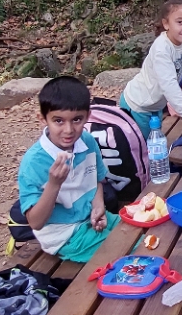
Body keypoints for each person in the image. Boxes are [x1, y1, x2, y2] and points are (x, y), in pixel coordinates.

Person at [16, 75, 120, 261]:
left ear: (87, 116)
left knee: (138, 230)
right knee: (127, 251)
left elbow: (96, 181)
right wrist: (54, 184)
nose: (69, 130)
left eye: (77, 119)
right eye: (58, 121)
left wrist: (98, 207)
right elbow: (36, 222)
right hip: (64, 235)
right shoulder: (34, 163)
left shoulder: (87, 141)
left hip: (88, 220)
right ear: (43, 119)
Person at [121, 0, 182, 133]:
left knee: (157, 141)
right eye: (180, 22)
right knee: (146, 144)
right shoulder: (162, 49)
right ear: (166, 24)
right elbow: (169, 84)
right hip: (138, 105)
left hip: (156, 105)